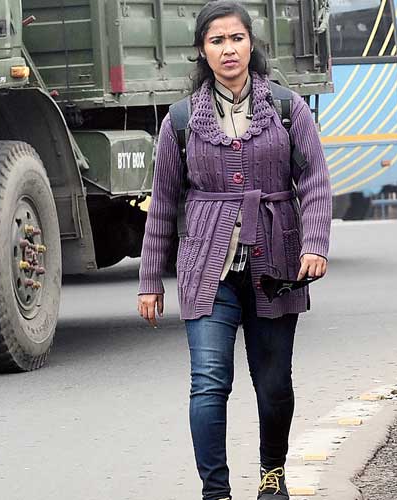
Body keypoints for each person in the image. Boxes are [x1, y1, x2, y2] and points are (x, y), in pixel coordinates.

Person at [137, 2, 332, 499]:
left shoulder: (289, 108)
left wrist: (316, 244)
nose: (229, 49)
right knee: (208, 382)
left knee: (274, 386)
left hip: (278, 265)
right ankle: (215, 492)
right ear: (202, 51)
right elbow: (163, 202)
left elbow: (314, 180)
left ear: (252, 44)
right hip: (208, 268)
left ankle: (271, 478)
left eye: (237, 39)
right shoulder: (180, 121)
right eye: (217, 41)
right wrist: (149, 281)